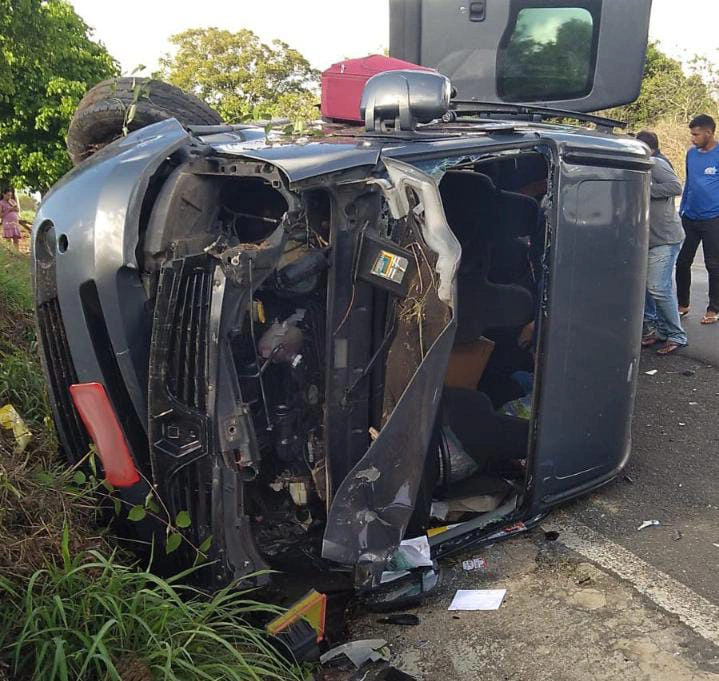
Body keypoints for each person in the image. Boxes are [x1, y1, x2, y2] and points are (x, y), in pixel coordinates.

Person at [636, 131, 688, 355]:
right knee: (649, 288)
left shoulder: (655, 163)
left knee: (658, 287)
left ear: (649, 148)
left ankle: (677, 335)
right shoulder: (638, 166)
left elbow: (675, 187)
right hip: (649, 240)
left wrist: (642, 188)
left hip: (665, 238)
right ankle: (660, 330)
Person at [676, 114, 719, 324]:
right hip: (689, 217)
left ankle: (713, 308)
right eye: (691, 134)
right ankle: (682, 304)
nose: (692, 139)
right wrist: (682, 211)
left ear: (709, 133)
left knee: (713, 265)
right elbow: (689, 184)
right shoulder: (691, 154)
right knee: (682, 262)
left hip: (713, 219)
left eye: (696, 134)